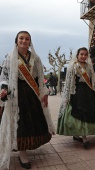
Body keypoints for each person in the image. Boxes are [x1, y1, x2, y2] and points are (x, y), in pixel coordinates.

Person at [0, 31, 55, 169]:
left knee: (32, 121)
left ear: (30, 42)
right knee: (20, 123)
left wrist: (44, 93)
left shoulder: (35, 58)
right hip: (17, 95)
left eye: (27, 39)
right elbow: (4, 75)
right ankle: (22, 152)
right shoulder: (10, 57)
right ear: (16, 40)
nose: (24, 41)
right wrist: (4, 89)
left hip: (32, 94)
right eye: (21, 38)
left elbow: (40, 77)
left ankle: (27, 146)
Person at [57, 47, 95, 149]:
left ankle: (81, 135)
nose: (83, 56)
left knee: (90, 111)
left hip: (89, 91)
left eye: (86, 54)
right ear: (77, 55)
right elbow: (69, 83)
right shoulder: (73, 66)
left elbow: (94, 81)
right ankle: (82, 136)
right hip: (77, 92)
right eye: (81, 54)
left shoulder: (89, 66)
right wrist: (68, 95)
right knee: (79, 112)